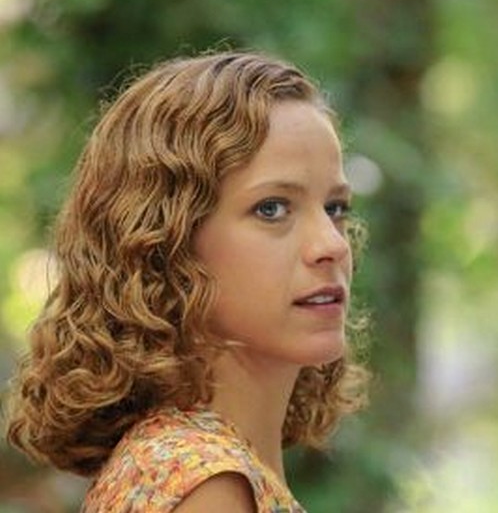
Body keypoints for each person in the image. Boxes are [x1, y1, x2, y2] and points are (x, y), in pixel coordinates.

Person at [4, 52, 369, 512]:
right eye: (272, 208)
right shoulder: (204, 483)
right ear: (166, 243)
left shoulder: (197, 465)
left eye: (335, 208)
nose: (332, 244)